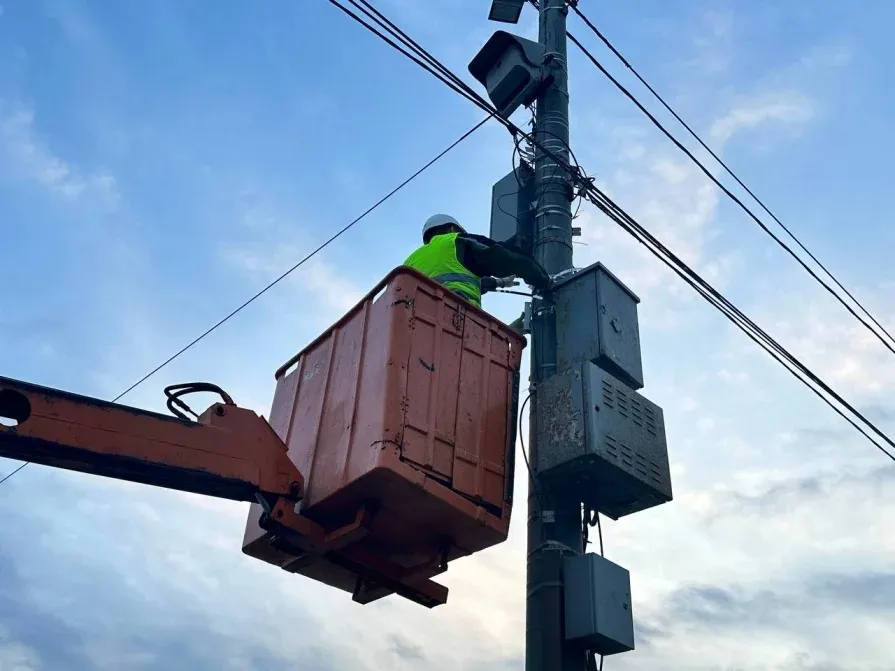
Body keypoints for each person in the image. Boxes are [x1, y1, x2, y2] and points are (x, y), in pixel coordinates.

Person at [403, 213, 551, 310]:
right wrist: (543, 282)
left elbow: (455, 281)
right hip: (457, 318)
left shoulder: (410, 260)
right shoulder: (456, 242)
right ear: (452, 228)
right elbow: (507, 256)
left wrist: (500, 283)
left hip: (418, 327)